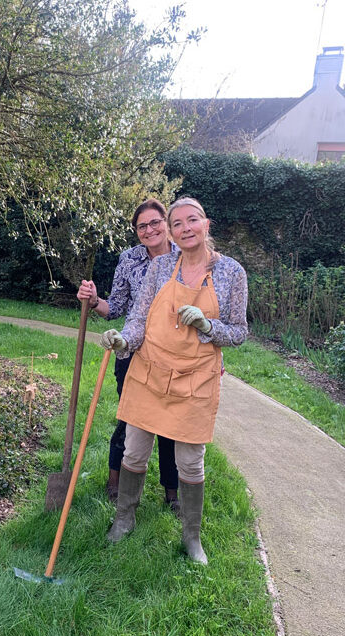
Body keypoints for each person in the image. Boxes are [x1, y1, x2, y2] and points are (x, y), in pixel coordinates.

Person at [100, 196, 248, 564]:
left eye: (192, 220)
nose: (185, 228)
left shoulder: (232, 272)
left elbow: (240, 331)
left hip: (196, 377)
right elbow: (138, 317)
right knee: (134, 449)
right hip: (150, 369)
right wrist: (124, 340)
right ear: (172, 229)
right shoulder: (161, 267)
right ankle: (124, 520)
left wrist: (207, 325)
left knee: (190, 460)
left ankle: (191, 539)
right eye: (178, 223)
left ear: (206, 224)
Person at [77, 198, 179, 510]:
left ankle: (172, 493)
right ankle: (115, 481)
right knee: (130, 418)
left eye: (155, 222)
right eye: (141, 226)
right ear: (136, 231)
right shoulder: (130, 260)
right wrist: (94, 301)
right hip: (132, 352)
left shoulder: (185, 259)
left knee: (169, 425)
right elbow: (116, 308)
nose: (149, 230)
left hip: (174, 355)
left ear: (166, 222)